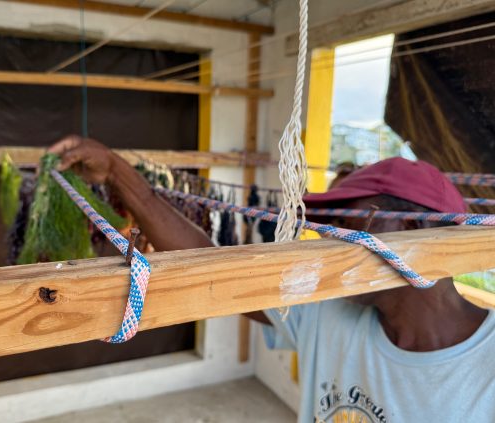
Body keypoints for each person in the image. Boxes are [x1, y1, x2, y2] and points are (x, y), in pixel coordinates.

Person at [50, 136, 494, 422]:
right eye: (327, 224)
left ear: (416, 232)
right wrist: (119, 176)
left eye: (348, 221)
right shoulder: (329, 314)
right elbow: (213, 268)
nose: (326, 236)